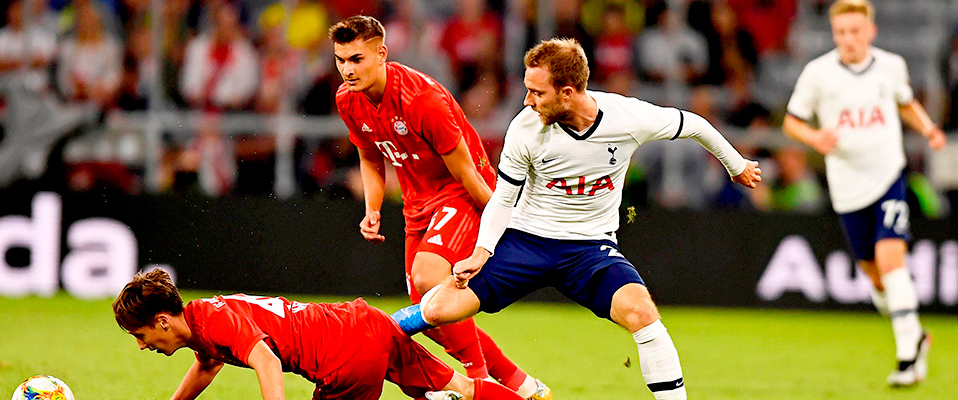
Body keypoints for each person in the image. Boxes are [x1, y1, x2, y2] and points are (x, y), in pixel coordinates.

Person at [394, 38, 762, 400]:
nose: (527, 101)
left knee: (643, 313)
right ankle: (371, 329)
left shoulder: (627, 118)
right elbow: (504, 199)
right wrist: (482, 251)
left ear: (567, 93)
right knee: (439, 309)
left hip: (590, 250)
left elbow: (695, 124)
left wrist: (737, 166)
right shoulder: (526, 129)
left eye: (537, 92)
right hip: (525, 242)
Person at [329, 15, 550, 399]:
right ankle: (521, 384)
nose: (348, 70)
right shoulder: (348, 100)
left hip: (459, 193)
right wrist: (373, 206)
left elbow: (467, 173)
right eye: (341, 60)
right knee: (429, 313)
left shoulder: (421, 99)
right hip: (417, 203)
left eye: (357, 59)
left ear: (382, 54)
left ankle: (477, 383)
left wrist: (504, 226)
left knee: (431, 279)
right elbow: (369, 156)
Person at [781, 0, 945, 387]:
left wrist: (928, 129)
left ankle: (907, 357)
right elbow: (792, 122)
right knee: (874, 277)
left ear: (870, 31)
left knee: (891, 261)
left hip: (888, 174)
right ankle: (917, 336)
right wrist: (816, 137)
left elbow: (905, 103)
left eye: (855, 32)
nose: (848, 39)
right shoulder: (818, 73)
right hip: (846, 185)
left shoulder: (891, 66)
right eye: (841, 33)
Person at [112, 268, 527, 400]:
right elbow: (206, 365)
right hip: (364, 323)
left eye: (140, 333)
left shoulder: (215, 319)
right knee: (461, 388)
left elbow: (265, 358)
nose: (141, 344)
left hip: (342, 360)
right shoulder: (203, 322)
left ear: (163, 320)